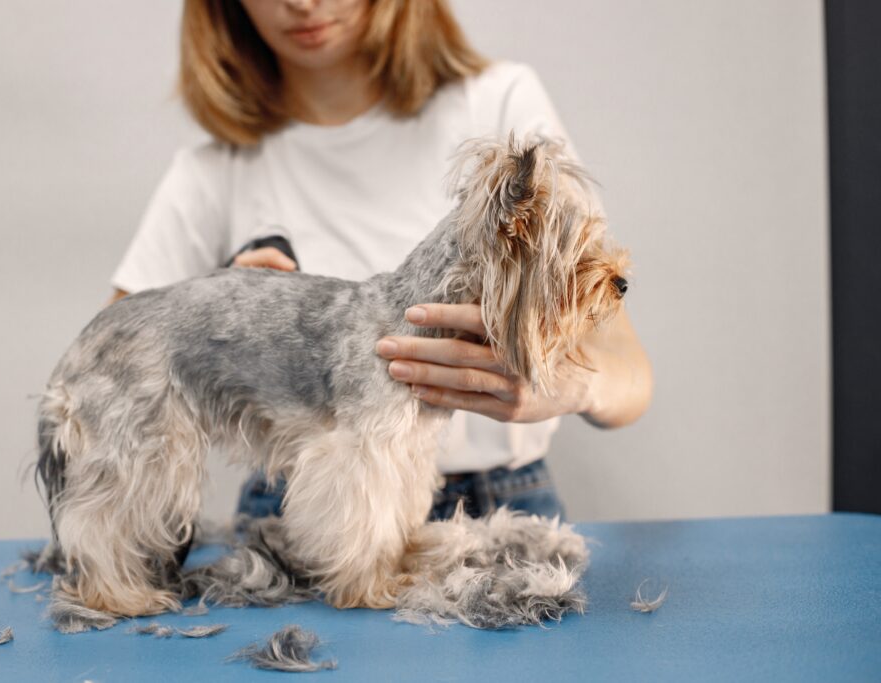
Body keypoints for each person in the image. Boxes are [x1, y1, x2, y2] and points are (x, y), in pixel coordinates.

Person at [108, 0, 653, 522]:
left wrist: (574, 383)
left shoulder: (496, 104)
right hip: (299, 506)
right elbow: (115, 359)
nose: (302, 3)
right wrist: (220, 305)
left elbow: (627, 367)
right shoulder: (215, 164)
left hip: (503, 498)